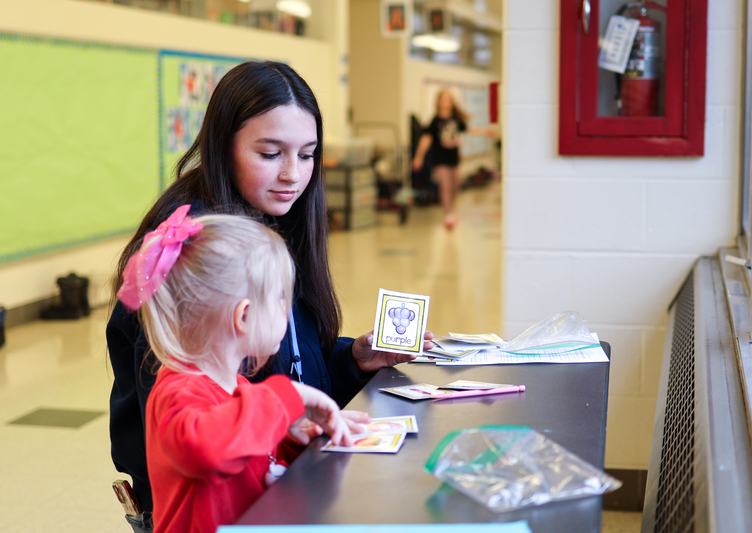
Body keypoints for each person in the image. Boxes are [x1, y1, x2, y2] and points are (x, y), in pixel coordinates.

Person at [106, 60, 433, 532]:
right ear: (224, 147)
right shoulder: (199, 253)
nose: (292, 175)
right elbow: (193, 433)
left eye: (307, 154)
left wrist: (350, 359)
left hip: (265, 491)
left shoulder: (272, 218)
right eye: (270, 153)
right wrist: (285, 402)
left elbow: (287, 359)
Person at [117, 207, 359, 533]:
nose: (288, 313)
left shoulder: (237, 386)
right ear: (243, 317)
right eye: (280, 299)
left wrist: (297, 438)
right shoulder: (177, 390)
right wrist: (286, 396)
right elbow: (206, 450)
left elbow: (250, 456)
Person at [411, 89, 494, 230]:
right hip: (439, 160)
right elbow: (426, 139)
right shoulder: (435, 121)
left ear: (452, 103)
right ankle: (448, 213)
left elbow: (468, 130)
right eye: (443, 99)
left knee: (455, 186)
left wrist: (485, 132)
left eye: (448, 99)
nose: (446, 102)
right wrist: (419, 157)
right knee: (445, 186)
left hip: (453, 159)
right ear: (438, 102)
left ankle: (452, 210)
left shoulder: (455, 120)